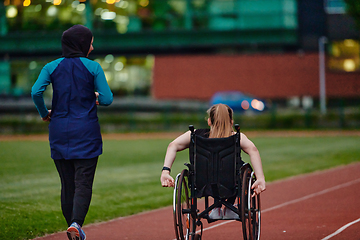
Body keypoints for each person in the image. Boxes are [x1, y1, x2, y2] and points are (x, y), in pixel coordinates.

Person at [31, 25, 113, 240]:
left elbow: (35, 91)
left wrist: (43, 113)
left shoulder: (51, 66)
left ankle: (72, 229)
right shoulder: (93, 67)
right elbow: (107, 99)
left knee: (67, 185)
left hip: (59, 130)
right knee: (83, 182)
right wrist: (94, 95)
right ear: (82, 44)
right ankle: (76, 224)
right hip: (86, 132)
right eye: (91, 42)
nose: (92, 47)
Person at [160, 103, 266, 219]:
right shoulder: (237, 137)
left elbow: (172, 145)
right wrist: (260, 178)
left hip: (201, 183)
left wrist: (166, 171)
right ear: (231, 122)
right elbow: (253, 150)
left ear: (209, 121)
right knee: (243, 169)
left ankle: (216, 209)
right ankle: (229, 206)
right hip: (232, 182)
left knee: (212, 169)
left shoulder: (195, 135)